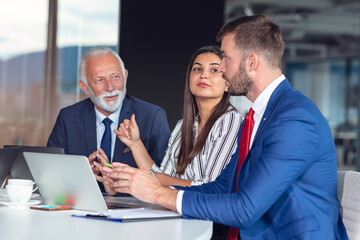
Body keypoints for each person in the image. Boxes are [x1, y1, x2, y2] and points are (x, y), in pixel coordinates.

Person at [101, 15, 348, 239]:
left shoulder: (294, 119)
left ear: (252, 63)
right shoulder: (258, 116)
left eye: (225, 59)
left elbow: (245, 208)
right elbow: (222, 187)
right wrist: (144, 187)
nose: (222, 68)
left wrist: (158, 194)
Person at [103, 46, 243, 188]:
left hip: (205, 210)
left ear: (228, 83)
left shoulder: (230, 120)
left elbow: (212, 188)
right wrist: (135, 143)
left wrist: (158, 180)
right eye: (197, 69)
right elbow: (161, 176)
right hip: (175, 209)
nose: (203, 75)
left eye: (214, 70)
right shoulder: (182, 127)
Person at [47, 47, 171, 185]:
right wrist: (81, 175)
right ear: (84, 87)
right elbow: (49, 174)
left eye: (115, 77)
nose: (110, 87)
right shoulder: (68, 118)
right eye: (100, 80)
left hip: (136, 205)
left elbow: (167, 180)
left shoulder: (152, 117)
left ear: (125, 76)